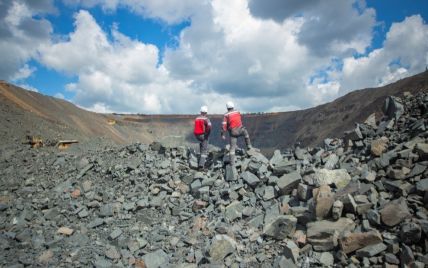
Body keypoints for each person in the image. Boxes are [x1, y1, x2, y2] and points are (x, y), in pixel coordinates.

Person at [221, 101, 252, 166]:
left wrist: (223, 134)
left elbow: (224, 125)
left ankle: (232, 164)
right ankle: (249, 146)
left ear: (227, 108)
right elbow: (238, 119)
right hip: (241, 129)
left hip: (233, 132)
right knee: (246, 134)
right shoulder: (237, 112)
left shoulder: (226, 115)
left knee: (232, 148)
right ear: (233, 106)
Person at [194, 105, 212, 170]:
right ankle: (201, 166)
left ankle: (200, 157)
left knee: (202, 145)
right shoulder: (206, 119)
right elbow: (209, 127)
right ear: (206, 112)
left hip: (197, 135)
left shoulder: (196, 118)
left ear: (200, 112)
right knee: (204, 150)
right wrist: (207, 133)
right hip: (203, 135)